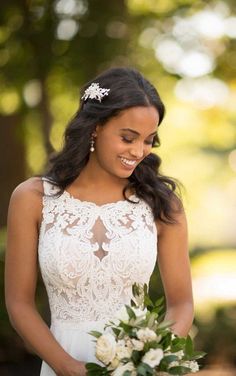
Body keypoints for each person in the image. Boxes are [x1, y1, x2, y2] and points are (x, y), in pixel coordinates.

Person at [5, 67, 194, 376]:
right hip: (62, 364)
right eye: (127, 137)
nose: (138, 152)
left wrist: (152, 361)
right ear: (95, 127)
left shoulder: (162, 205)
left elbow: (182, 303)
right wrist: (68, 367)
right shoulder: (32, 198)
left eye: (149, 140)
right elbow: (18, 304)